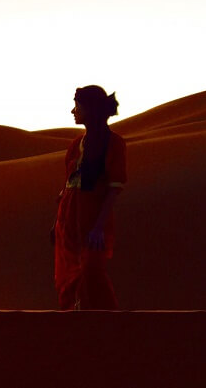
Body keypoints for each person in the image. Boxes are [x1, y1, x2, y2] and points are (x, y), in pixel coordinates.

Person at [51, 85, 127, 310]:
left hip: (92, 219)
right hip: (68, 219)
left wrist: (99, 226)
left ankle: (109, 321)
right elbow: (69, 184)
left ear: (90, 109)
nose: (73, 111)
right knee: (69, 277)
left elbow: (114, 188)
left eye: (78, 106)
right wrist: (56, 222)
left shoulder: (113, 143)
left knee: (92, 271)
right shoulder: (76, 144)